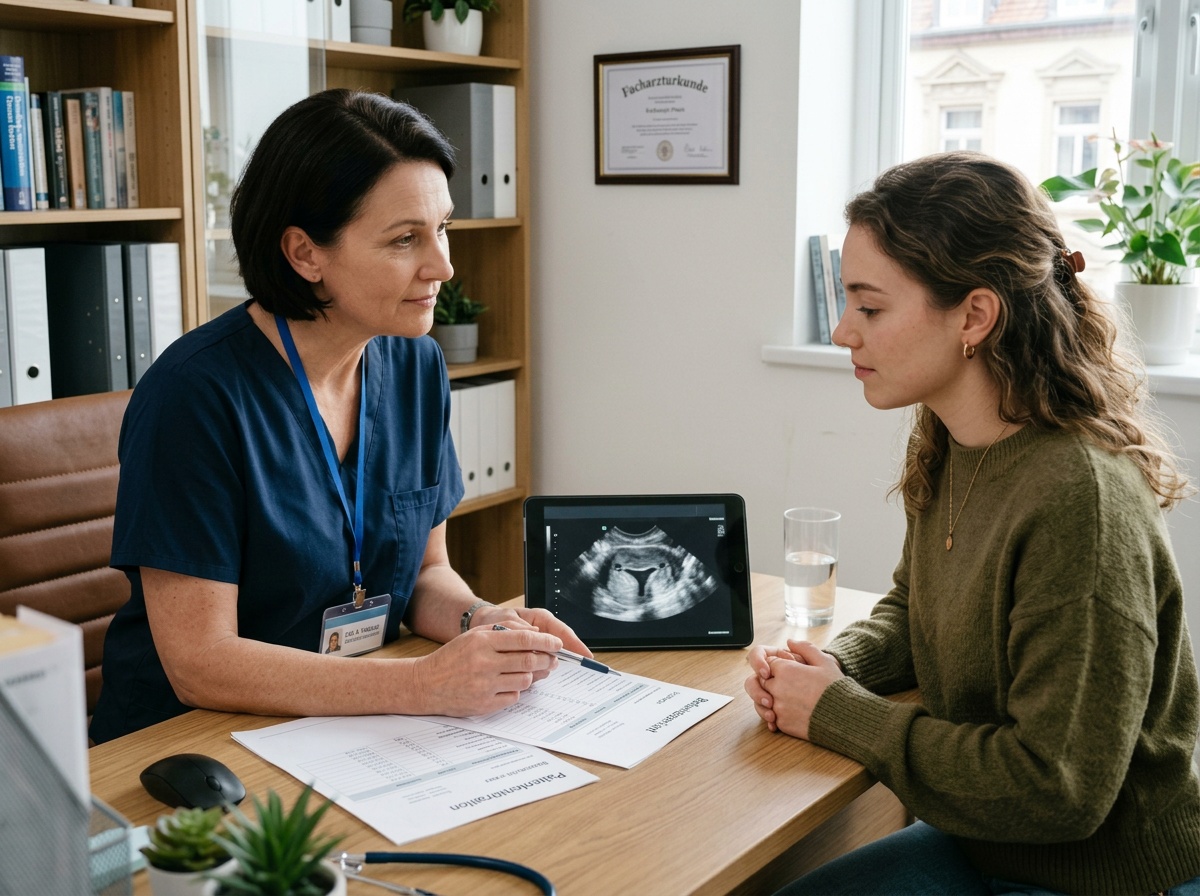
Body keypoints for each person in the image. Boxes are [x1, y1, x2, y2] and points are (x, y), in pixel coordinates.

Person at [745, 152, 1200, 895]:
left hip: (1099, 878)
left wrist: (839, 713)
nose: (840, 333)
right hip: (986, 845)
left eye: (870, 306)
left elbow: (1057, 786)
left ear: (976, 316)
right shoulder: (955, 436)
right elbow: (915, 607)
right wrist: (826, 669)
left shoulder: (1077, 499)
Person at [90, 89, 590, 744]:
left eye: (441, 227)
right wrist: (422, 685)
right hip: (189, 748)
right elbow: (200, 664)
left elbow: (423, 576)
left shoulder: (415, 367)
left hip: (346, 721)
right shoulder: (194, 396)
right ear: (305, 254)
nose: (443, 264)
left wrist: (486, 624)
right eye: (405, 238)